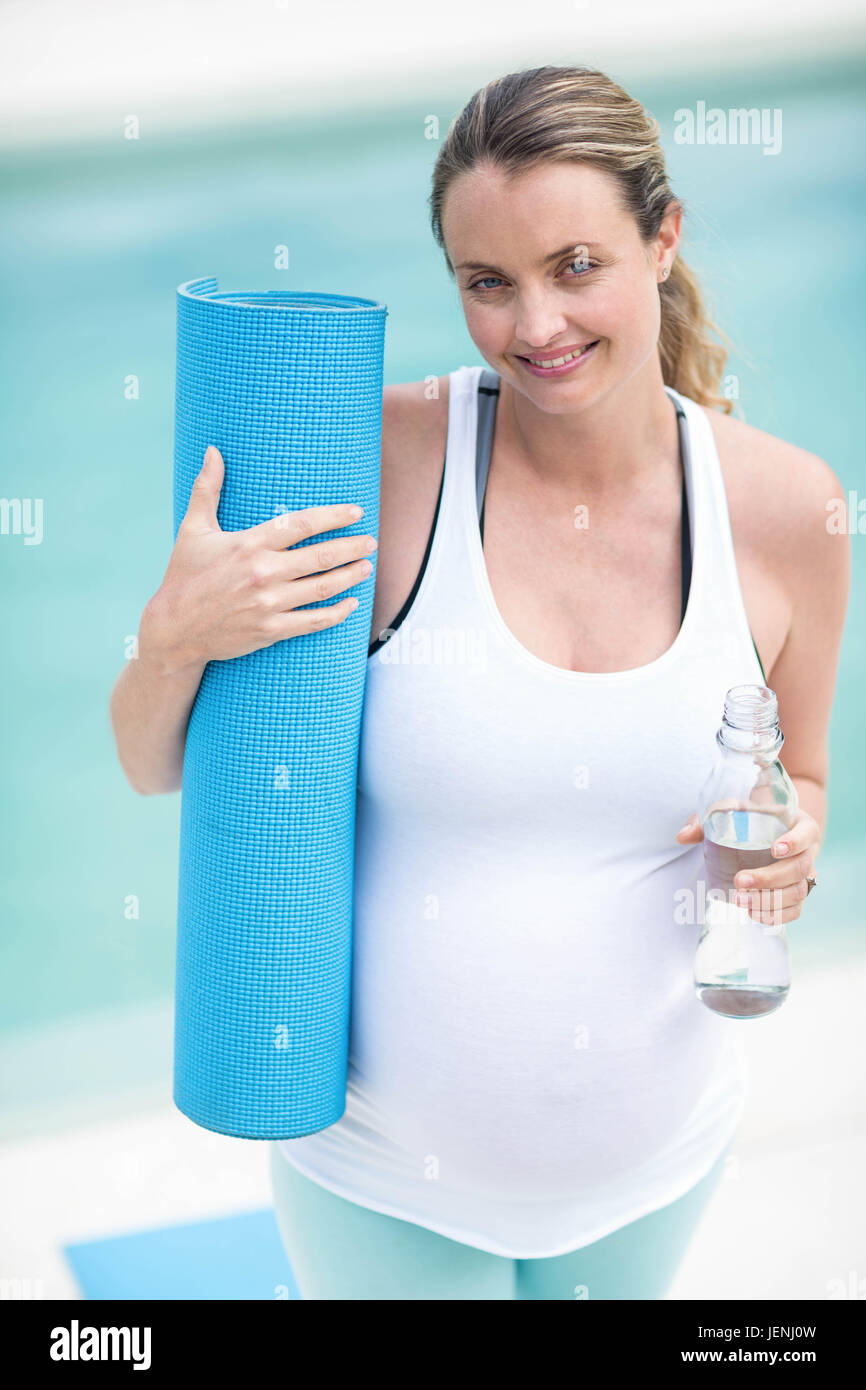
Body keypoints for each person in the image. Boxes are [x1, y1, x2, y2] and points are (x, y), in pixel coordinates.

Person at [109, 65, 849, 1300]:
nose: (535, 330)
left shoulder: (782, 509)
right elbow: (150, 762)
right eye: (486, 284)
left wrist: (786, 851)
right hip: (383, 1178)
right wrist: (175, 633)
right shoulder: (382, 463)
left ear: (661, 239)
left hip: (654, 1168)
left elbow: (806, 777)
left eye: (574, 267)